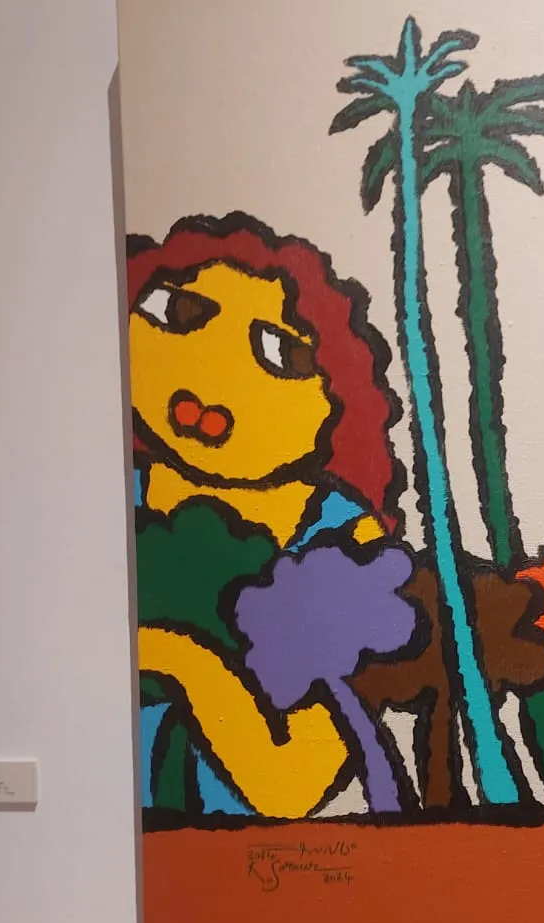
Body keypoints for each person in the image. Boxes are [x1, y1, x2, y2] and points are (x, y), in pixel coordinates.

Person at [129, 213, 403, 818]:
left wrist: (176, 657)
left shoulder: (343, 541)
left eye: (281, 353)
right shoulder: (111, 500)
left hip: (248, 856)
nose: (211, 369)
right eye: (177, 313)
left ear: (338, 401)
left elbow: (286, 786)